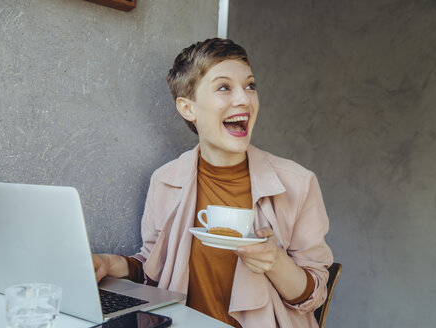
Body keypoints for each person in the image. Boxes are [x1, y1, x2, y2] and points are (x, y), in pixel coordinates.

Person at [92, 38, 333, 328]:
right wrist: (107, 263)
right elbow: (152, 268)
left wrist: (276, 262)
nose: (244, 99)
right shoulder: (165, 180)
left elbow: (315, 294)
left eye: (250, 86)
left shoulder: (298, 182)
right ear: (187, 108)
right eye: (224, 87)